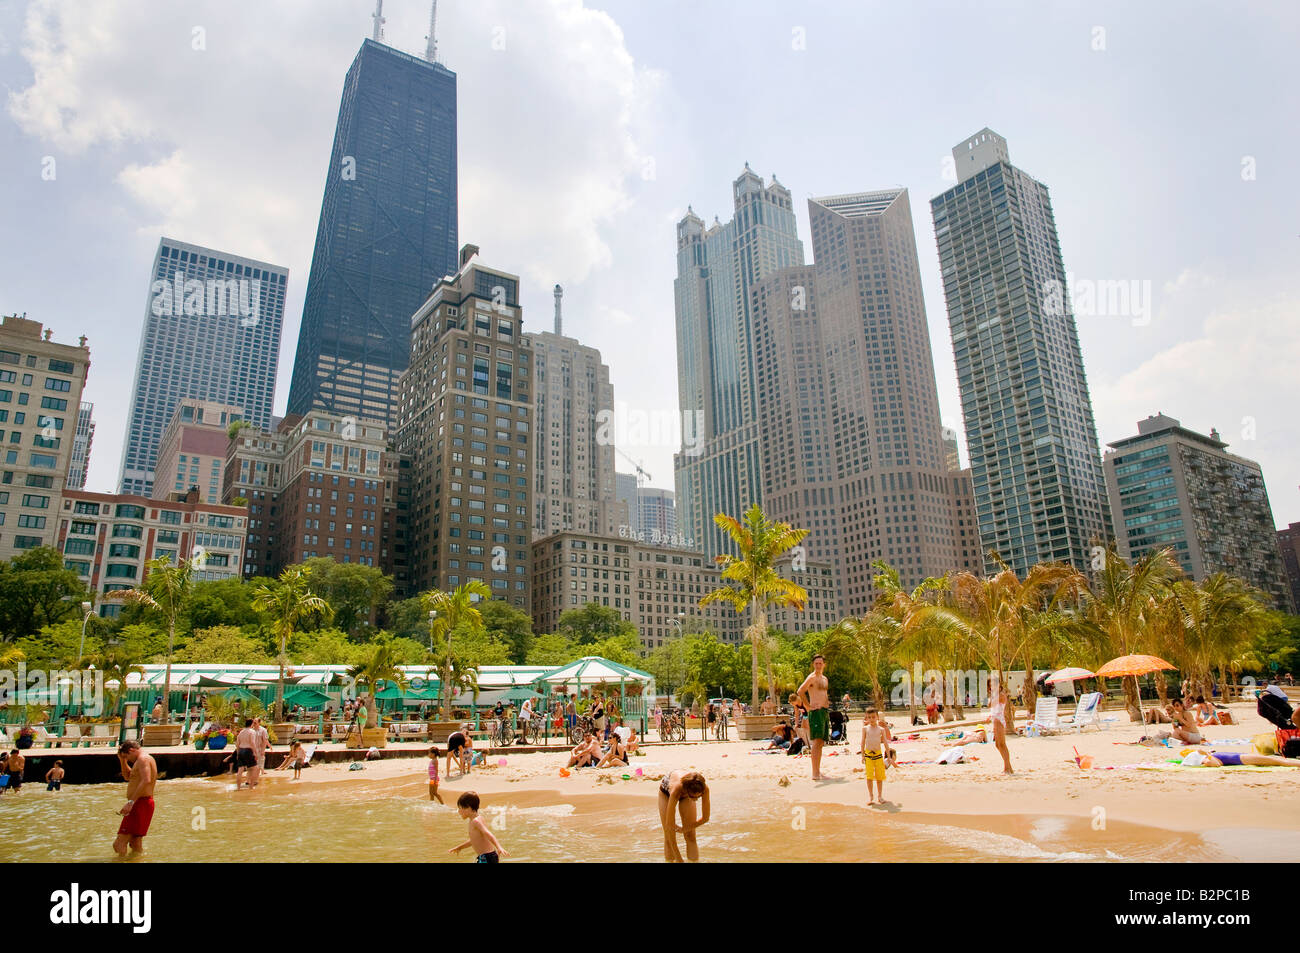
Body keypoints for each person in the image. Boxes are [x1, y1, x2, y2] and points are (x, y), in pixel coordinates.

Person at [114, 740, 157, 856]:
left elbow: (146, 780)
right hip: (143, 803)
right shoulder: (141, 760)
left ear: (131, 750)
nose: (128, 759)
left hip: (140, 803)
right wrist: (122, 760)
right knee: (135, 842)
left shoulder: (143, 759)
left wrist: (131, 802)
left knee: (118, 843)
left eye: (127, 756)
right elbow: (128, 777)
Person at [658, 770, 709, 863]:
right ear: (687, 791)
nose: (696, 799)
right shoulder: (676, 790)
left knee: (690, 835)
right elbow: (670, 826)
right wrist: (679, 859)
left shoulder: (704, 788)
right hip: (666, 790)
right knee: (668, 836)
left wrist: (684, 829)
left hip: (688, 790)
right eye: (694, 797)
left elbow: (705, 818)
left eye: (699, 796)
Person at [796, 654, 831, 780]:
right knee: (816, 742)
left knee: (821, 742)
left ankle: (818, 771)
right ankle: (814, 773)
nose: (818, 665)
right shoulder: (811, 677)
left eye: (820, 663)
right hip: (815, 712)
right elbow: (800, 691)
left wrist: (826, 703)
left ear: (824, 664)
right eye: (816, 663)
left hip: (824, 711)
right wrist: (808, 706)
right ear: (813, 664)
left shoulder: (824, 678)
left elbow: (823, 693)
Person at [449, 791, 508, 862]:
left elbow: (488, 834)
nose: (458, 811)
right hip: (487, 856)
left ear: (468, 807)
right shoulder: (476, 820)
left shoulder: (476, 821)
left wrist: (499, 847)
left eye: (460, 808)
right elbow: (474, 841)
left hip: (486, 857)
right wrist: (459, 847)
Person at [859, 708, 892, 805]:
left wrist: (889, 756)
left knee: (879, 777)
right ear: (866, 718)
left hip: (878, 755)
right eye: (869, 717)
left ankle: (880, 796)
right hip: (868, 755)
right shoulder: (865, 729)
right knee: (869, 777)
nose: (871, 719)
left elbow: (885, 743)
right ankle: (871, 796)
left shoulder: (881, 730)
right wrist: (862, 755)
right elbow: (862, 742)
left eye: (873, 717)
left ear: (877, 717)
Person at [989, 679, 1012, 775]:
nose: (992, 687)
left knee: (1002, 744)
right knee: (998, 744)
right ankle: (1008, 767)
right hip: (995, 719)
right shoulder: (996, 695)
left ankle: (1007, 767)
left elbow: (990, 704)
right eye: (991, 685)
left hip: (999, 720)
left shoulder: (1000, 695)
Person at [1183, 750, 1300, 768]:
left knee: (1276, 759)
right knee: (1277, 761)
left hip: (1240, 757)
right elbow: (1215, 764)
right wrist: (1207, 754)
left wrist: (1207, 753)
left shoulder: (1206, 756)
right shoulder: (1207, 758)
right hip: (1241, 758)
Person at [235, 719, 258, 788]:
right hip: (248, 750)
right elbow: (252, 742)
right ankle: (251, 787)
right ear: (251, 724)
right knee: (254, 768)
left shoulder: (241, 732)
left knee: (240, 770)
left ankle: (238, 787)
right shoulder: (252, 732)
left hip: (241, 750)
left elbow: (237, 744)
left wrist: (237, 753)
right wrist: (255, 753)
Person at [251, 716, 271, 788]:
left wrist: (263, 750)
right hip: (252, 750)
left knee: (259, 765)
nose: (254, 724)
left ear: (259, 723)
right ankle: (251, 779)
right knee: (252, 765)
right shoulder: (251, 730)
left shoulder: (263, 730)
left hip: (259, 749)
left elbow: (265, 740)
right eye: (253, 722)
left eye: (255, 722)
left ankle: (256, 780)